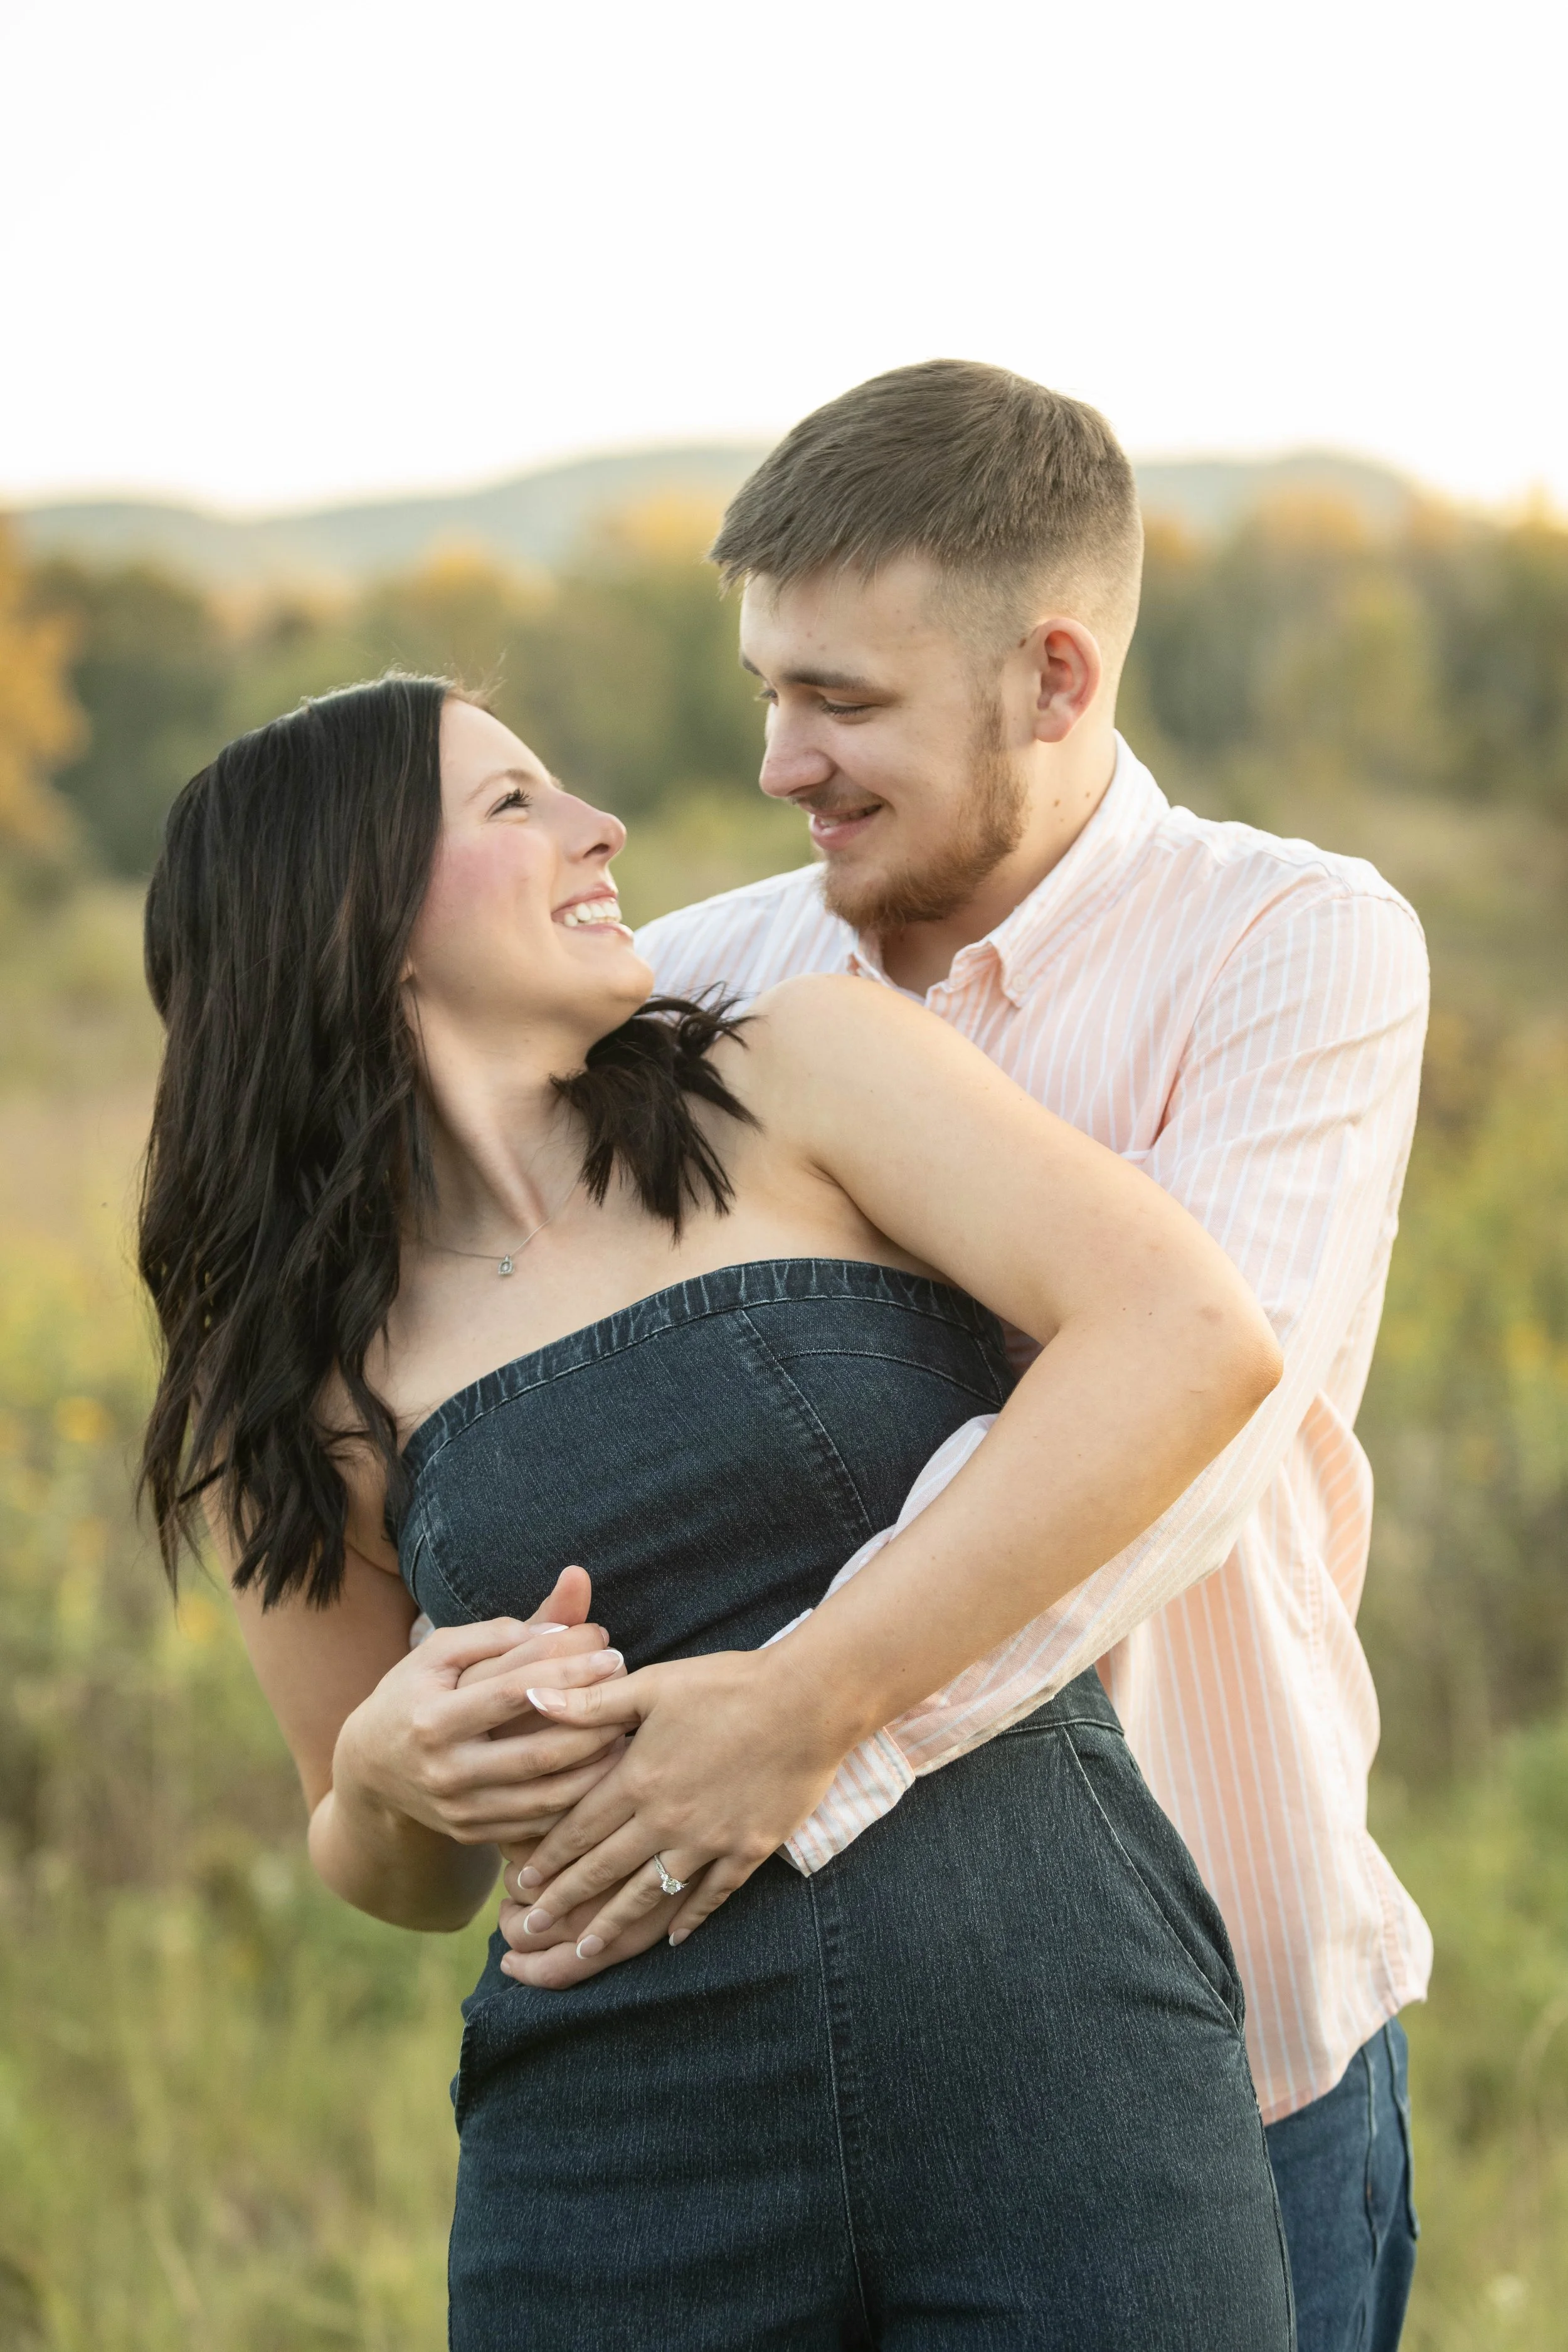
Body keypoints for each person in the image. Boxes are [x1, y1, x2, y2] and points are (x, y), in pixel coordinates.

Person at [137, 673, 1292, 2348]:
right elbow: (380, 1858)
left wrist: (809, 1698)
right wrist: (389, 1775)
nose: (601, 827)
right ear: (351, 913)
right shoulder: (295, 1374)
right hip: (620, 2148)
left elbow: (1190, 1340)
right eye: (514, 802)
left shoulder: (794, 1080)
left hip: (1053, 2049)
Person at [497, 360, 1430, 2352]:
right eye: (765, 687)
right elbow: (556, 1403)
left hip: (1227, 2041)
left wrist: (797, 1714)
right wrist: (426, 1709)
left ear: (1056, 678)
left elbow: (1191, 1428)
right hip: (761, 2061)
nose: (775, 758)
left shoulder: (1291, 947)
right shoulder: (697, 981)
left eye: (841, 702)